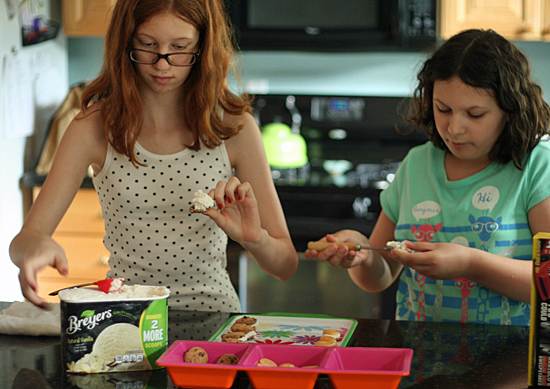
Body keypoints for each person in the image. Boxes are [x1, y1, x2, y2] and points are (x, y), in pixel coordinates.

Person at [10, 0, 298, 311]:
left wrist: (255, 240)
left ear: (203, 46)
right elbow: (24, 241)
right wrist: (35, 246)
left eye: (180, 47)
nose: (162, 64)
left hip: (213, 319)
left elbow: (285, 265)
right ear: (125, 41)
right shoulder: (92, 127)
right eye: (147, 45)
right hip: (128, 320)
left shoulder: (234, 127)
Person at [305, 29, 550, 325]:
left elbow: (547, 282)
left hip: (511, 362)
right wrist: (363, 254)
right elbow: (379, 275)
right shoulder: (417, 165)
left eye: (474, 114)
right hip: (421, 355)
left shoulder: (537, 165)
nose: (454, 128)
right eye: (443, 109)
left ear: (509, 110)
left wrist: (470, 263)